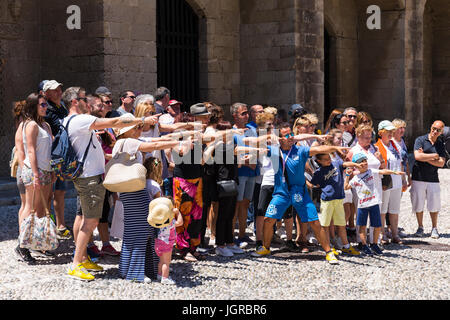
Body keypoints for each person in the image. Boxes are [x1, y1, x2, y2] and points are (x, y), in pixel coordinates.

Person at [62, 87, 168, 281]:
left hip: (88, 175)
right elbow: (115, 121)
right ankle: (76, 263)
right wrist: (142, 120)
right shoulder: (80, 119)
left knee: (86, 217)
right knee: (91, 220)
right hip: (90, 176)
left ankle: (83, 258)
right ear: (75, 102)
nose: (88, 101)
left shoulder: (70, 121)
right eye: (84, 98)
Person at [252, 123, 349, 265]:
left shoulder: (300, 150)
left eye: (291, 134)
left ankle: (328, 252)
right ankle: (265, 248)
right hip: (281, 193)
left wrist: (334, 147)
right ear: (279, 138)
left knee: (315, 222)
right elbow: (252, 145)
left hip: (300, 193)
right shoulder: (274, 151)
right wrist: (266, 137)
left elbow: (319, 149)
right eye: (286, 135)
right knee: (268, 220)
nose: (291, 137)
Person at [111, 113, 188, 283]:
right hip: (134, 191)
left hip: (128, 190)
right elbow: (154, 144)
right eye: (137, 126)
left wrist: (174, 137)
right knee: (144, 230)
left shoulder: (122, 142)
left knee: (133, 232)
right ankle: (138, 273)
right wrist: (176, 142)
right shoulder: (129, 141)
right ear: (129, 129)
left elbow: (153, 142)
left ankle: (129, 270)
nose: (140, 129)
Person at [15, 93, 54, 263]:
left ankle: (35, 242)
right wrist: (36, 174)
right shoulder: (30, 125)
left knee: (40, 208)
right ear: (34, 106)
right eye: (42, 105)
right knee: (29, 207)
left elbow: (49, 151)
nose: (46, 108)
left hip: (45, 170)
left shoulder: (45, 125)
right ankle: (22, 245)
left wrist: (51, 170)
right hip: (33, 170)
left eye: (46, 105)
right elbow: (30, 150)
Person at [344, 153, 405, 255]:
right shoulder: (355, 178)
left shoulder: (371, 171)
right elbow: (346, 187)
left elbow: (383, 171)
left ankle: (374, 244)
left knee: (377, 226)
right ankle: (364, 245)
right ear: (356, 165)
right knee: (362, 227)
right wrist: (347, 176)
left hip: (374, 203)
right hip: (362, 206)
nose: (364, 163)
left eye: (365, 161)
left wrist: (394, 172)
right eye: (361, 162)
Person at [311, 153, 361, 260]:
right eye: (325, 159)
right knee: (325, 225)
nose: (328, 160)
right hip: (327, 200)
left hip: (339, 199)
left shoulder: (336, 163)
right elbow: (314, 184)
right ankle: (329, 247)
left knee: (341, 224)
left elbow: (346, 164)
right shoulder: (318, 172)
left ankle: (346, 246)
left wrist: (355, 164)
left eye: (329, 158)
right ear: (319, 161)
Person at [346, 124, 385, 246]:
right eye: (366, 137)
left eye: (370, 137)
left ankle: (375, 241)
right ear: (358, 136)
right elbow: (347, 170)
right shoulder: (353, 151)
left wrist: (381, 159)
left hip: (376, 186)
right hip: (362, 187)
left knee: (376, 214)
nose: (369, 140)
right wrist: (359, 173)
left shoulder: (374, 149)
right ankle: (361, 241)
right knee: (361, 215)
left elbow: (382, 167)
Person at [43, 80, 71, 240]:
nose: (59, 91)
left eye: (60, 88)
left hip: (61, 155)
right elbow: (59, 126)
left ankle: (61, 225)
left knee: (60, 191)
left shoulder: (62, 107)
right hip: (52, 155)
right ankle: (48, 224)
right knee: (48, 193)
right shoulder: (48, 109)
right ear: (46, 93)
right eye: (54, 90)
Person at [410, 120, 446, 239]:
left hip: (433, 178)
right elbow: (417, 156)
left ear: (442, 132)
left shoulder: (440, 143)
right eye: (434, 128)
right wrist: (434, 156)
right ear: (430, 127)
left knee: (434, 204)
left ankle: (434, 228)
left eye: (438, 130)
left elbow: (441, 163)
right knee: (418, 203)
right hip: (418, 177)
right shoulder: (420, 140)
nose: (435, 131)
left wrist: (425, 157)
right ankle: (420, 227)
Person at [230, 102, 255, 248]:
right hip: (239, 172)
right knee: (236, 204)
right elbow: (231, 153)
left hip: (252, 171)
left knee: (246, 203)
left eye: (247, 113)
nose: (246, 116)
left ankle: (242, 234)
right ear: (235, 116)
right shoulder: (231, 132)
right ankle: (231, 235)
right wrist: (246, 161)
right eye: (243, 113)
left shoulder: (252, 129)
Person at [374, 120, 404, 244]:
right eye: (388, 131)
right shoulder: (376, 146)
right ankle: (382, 234)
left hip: (397, 181)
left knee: (394, 209)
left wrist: (404, 180)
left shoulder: (395, 144)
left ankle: (395, 234)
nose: (391, 133)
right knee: (383, 209)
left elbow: (400, 162)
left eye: (392, 131)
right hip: (385, 182)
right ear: (381, 132)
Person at [148, 197, 183, 285]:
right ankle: (165, 278)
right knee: (166, 263)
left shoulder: (159, 220)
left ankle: (159, 275)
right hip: (167, 243)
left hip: (158, 242)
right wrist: (178, 213)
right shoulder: (170, 221)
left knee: (161, 261)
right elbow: (180, 223)